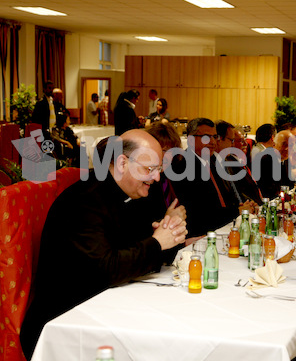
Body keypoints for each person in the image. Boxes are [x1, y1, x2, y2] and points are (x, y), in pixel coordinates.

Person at [20, 130, 188, 359]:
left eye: (158, 170)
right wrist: (158, 243)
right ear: (122, 162)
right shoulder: (86, 199)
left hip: (106, 304)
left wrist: (169, 237)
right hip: (65, 322)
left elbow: (139, 247)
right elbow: (104, 269)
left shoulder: (130, 194)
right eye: (150, 169)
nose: (156, 178)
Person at [169, 118, 256, 238]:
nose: (213, 142)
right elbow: (199, 212)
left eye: (215, 137)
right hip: (199, 235)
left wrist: (242, 206)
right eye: (206, 137)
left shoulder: (214, 161)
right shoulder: (182, 166)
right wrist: (237, 211)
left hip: (224, 228)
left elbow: (225, 198)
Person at [215, 120, 262, 205]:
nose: (246, 144)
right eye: (232, 140)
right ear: (219, 139)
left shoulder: (236, 160)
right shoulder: (227, 163)